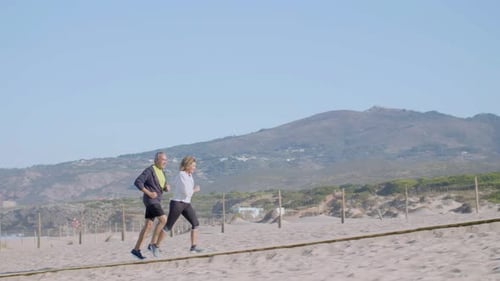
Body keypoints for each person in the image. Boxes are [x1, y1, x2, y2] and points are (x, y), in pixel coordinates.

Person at [154, 155, 203, 253]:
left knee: (195, 223)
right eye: (193, 166)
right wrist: (195, 190)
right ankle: (156, 246)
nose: (194, 168)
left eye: (195, 166)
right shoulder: (182, 175)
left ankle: (193, 247)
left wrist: (191, 191)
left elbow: (181, 188)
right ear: (187, 165)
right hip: (177, 203)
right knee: (169, 226)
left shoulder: (189, 176)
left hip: (186, 203)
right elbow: (186, 192)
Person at [130, 151, 170, 259]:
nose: (165, 162)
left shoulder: (162, 171)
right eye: (163, 160)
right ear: (156, 160)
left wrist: (166, 187)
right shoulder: (150, 170)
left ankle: (136, 250)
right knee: (163, 220)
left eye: (166, 160)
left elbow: (160, 185)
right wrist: (149, 193)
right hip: (151, 201)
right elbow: (138, 182)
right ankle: (153, 244)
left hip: (156, 201)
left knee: (148, 226)